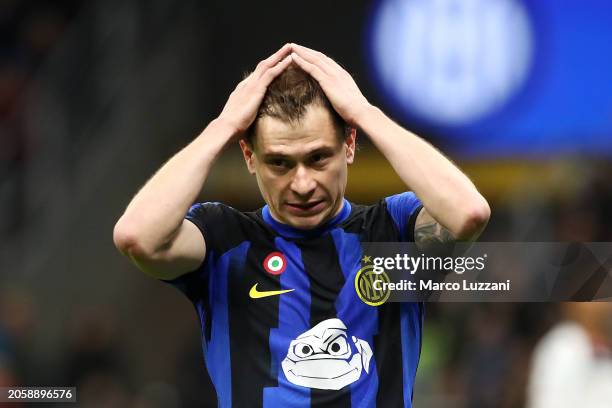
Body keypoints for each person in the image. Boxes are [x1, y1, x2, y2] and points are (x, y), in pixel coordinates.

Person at [113, 43, 490, 407]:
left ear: (349, 144)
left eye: (318, 157)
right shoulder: (224, 241)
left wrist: (364, 111)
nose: (303, 184)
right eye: (280, 163)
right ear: (249, 156)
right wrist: (224, 125)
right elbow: (138, 237)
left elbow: (467, 213)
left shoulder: (392, 231)